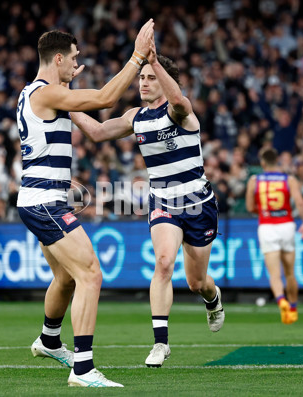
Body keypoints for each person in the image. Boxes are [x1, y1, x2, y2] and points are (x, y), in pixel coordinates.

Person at [70, 38, 224, 368]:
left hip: (198, 204)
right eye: (141, 77)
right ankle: (160, 343)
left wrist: (155, 62)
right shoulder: (135, 117)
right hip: (163, 201)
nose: (143, 81)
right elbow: (97, 132)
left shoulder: (179, 112)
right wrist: (67, 106)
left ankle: (212, 298)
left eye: (150, 77)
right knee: (165, 262)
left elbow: (180, 101)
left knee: (197, 282)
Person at [16, 20, 154, 387]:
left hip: (38, 198)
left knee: (65, 278)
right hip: (46, 200)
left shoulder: (41, 93)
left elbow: (94, 131)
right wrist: (138, 57)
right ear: (58, 58)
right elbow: (106, 98)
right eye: (73, 58)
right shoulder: (46, 94)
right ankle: (83, 369)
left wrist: (67, 85)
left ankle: (48, 340)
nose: (77, 63)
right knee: (91, 274)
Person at [245, 148, 303, 324]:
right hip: (287, 225)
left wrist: (264, 210)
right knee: (290, 273)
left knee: (274, 274)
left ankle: (281, 300)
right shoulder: (289, 179)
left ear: (263, 163)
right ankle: (294, 308)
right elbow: (300, 202)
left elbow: (250, 206)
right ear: (278, 162)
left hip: (267, 226)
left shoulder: (254, 180)